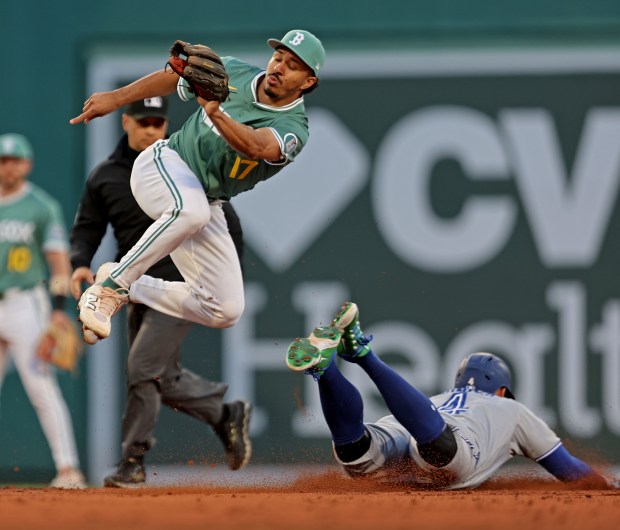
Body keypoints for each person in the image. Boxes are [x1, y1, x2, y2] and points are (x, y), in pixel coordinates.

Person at [68, 29, 325, 346]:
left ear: (308, 82)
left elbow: (257, 147)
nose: (279, 67)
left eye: (293, 65)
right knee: (192, 211)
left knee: (225, 309)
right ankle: (111, 285)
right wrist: (116, 98)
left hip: (204, 200)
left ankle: (129, 285)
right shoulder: (233, 71)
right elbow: (171, 81)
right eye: (278, 57)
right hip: (164, 165)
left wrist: (215, 113)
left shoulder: (293, 128)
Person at [69, 98, 251, 487]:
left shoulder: (182, 173)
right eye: (143, 121)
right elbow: (88, 226)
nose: (152, 129)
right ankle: (223, 413)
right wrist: (80, 262)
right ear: (126, 123)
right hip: (131, 287)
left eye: (158, 121)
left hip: (177, 285)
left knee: (141, 367)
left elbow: (224, 222)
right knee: (160, 378)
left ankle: (132, 460)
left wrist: (226, 278)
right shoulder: (106, 176)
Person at [286, 301, 615, 490]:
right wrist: (611, 488)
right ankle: (363, 355)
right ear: (502, 390)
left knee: (355, 449)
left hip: (414, 424)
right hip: (444, 440)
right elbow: (570, 470)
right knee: (439, 445)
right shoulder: (511, 410)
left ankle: (323, 371)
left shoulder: (442, 396)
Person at [0, 133, 86, 489]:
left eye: (14, 160)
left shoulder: (40, 205)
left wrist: (58, 311)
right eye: (3, 161)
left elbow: (58, 263)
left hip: (25, 304)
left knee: (41, 388)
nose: (8, 166)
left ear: (27, 164)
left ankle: (68, 470)